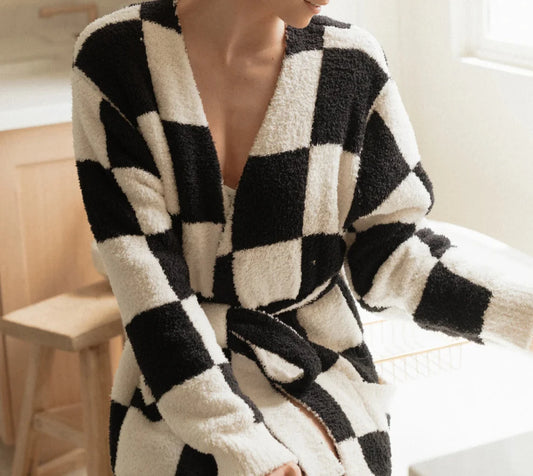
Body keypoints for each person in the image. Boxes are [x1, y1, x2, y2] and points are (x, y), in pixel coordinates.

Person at [71, 0, 533, 474]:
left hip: (319, 371)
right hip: (179, 385)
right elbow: (151, 293)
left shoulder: (352, 64)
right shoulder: (116, 58)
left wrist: (526, 315)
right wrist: (245, 448)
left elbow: (393, 256)